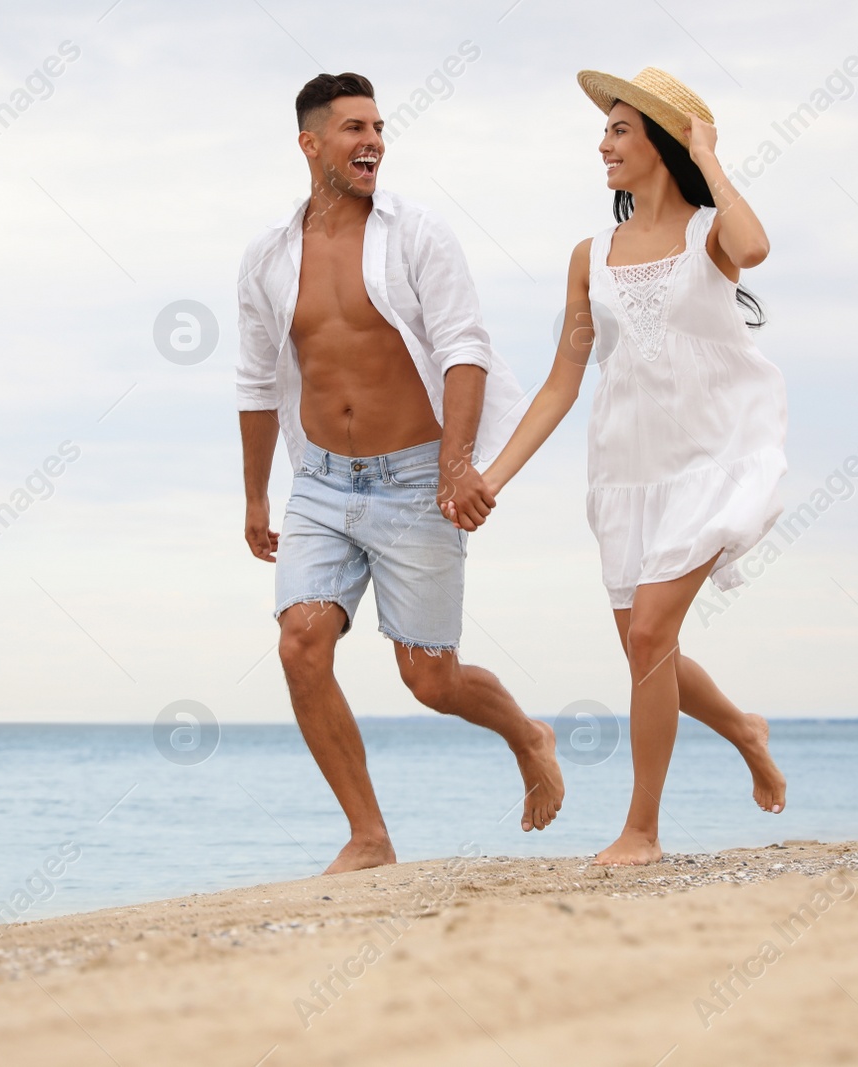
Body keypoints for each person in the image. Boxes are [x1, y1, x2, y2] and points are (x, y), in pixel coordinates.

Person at [236, 72, 565, 874]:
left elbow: (463, 347)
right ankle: (369, 834)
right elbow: (253, 380)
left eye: (378, 126)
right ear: (310, 144)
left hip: (417, 477)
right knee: (300, 645)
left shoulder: (419, 234)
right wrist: (254, 493)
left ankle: (529, 734)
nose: (372, 140)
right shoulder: (269, 260)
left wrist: (457, 466)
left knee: (431, 679)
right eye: (352, 128)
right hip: (318, 481)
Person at [481, 66, 788, 866]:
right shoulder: (592, 254)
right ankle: (744, 729)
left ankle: (641, 830)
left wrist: (710, 157)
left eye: (620, 129)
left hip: (712, 460)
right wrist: (492, 477)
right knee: (647, 650)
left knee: (651, 632)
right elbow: (560, 385)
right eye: (606, 129)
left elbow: (754, 245)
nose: (604, 142)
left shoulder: (709, 235)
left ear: (662, 140)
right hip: (624, 470)